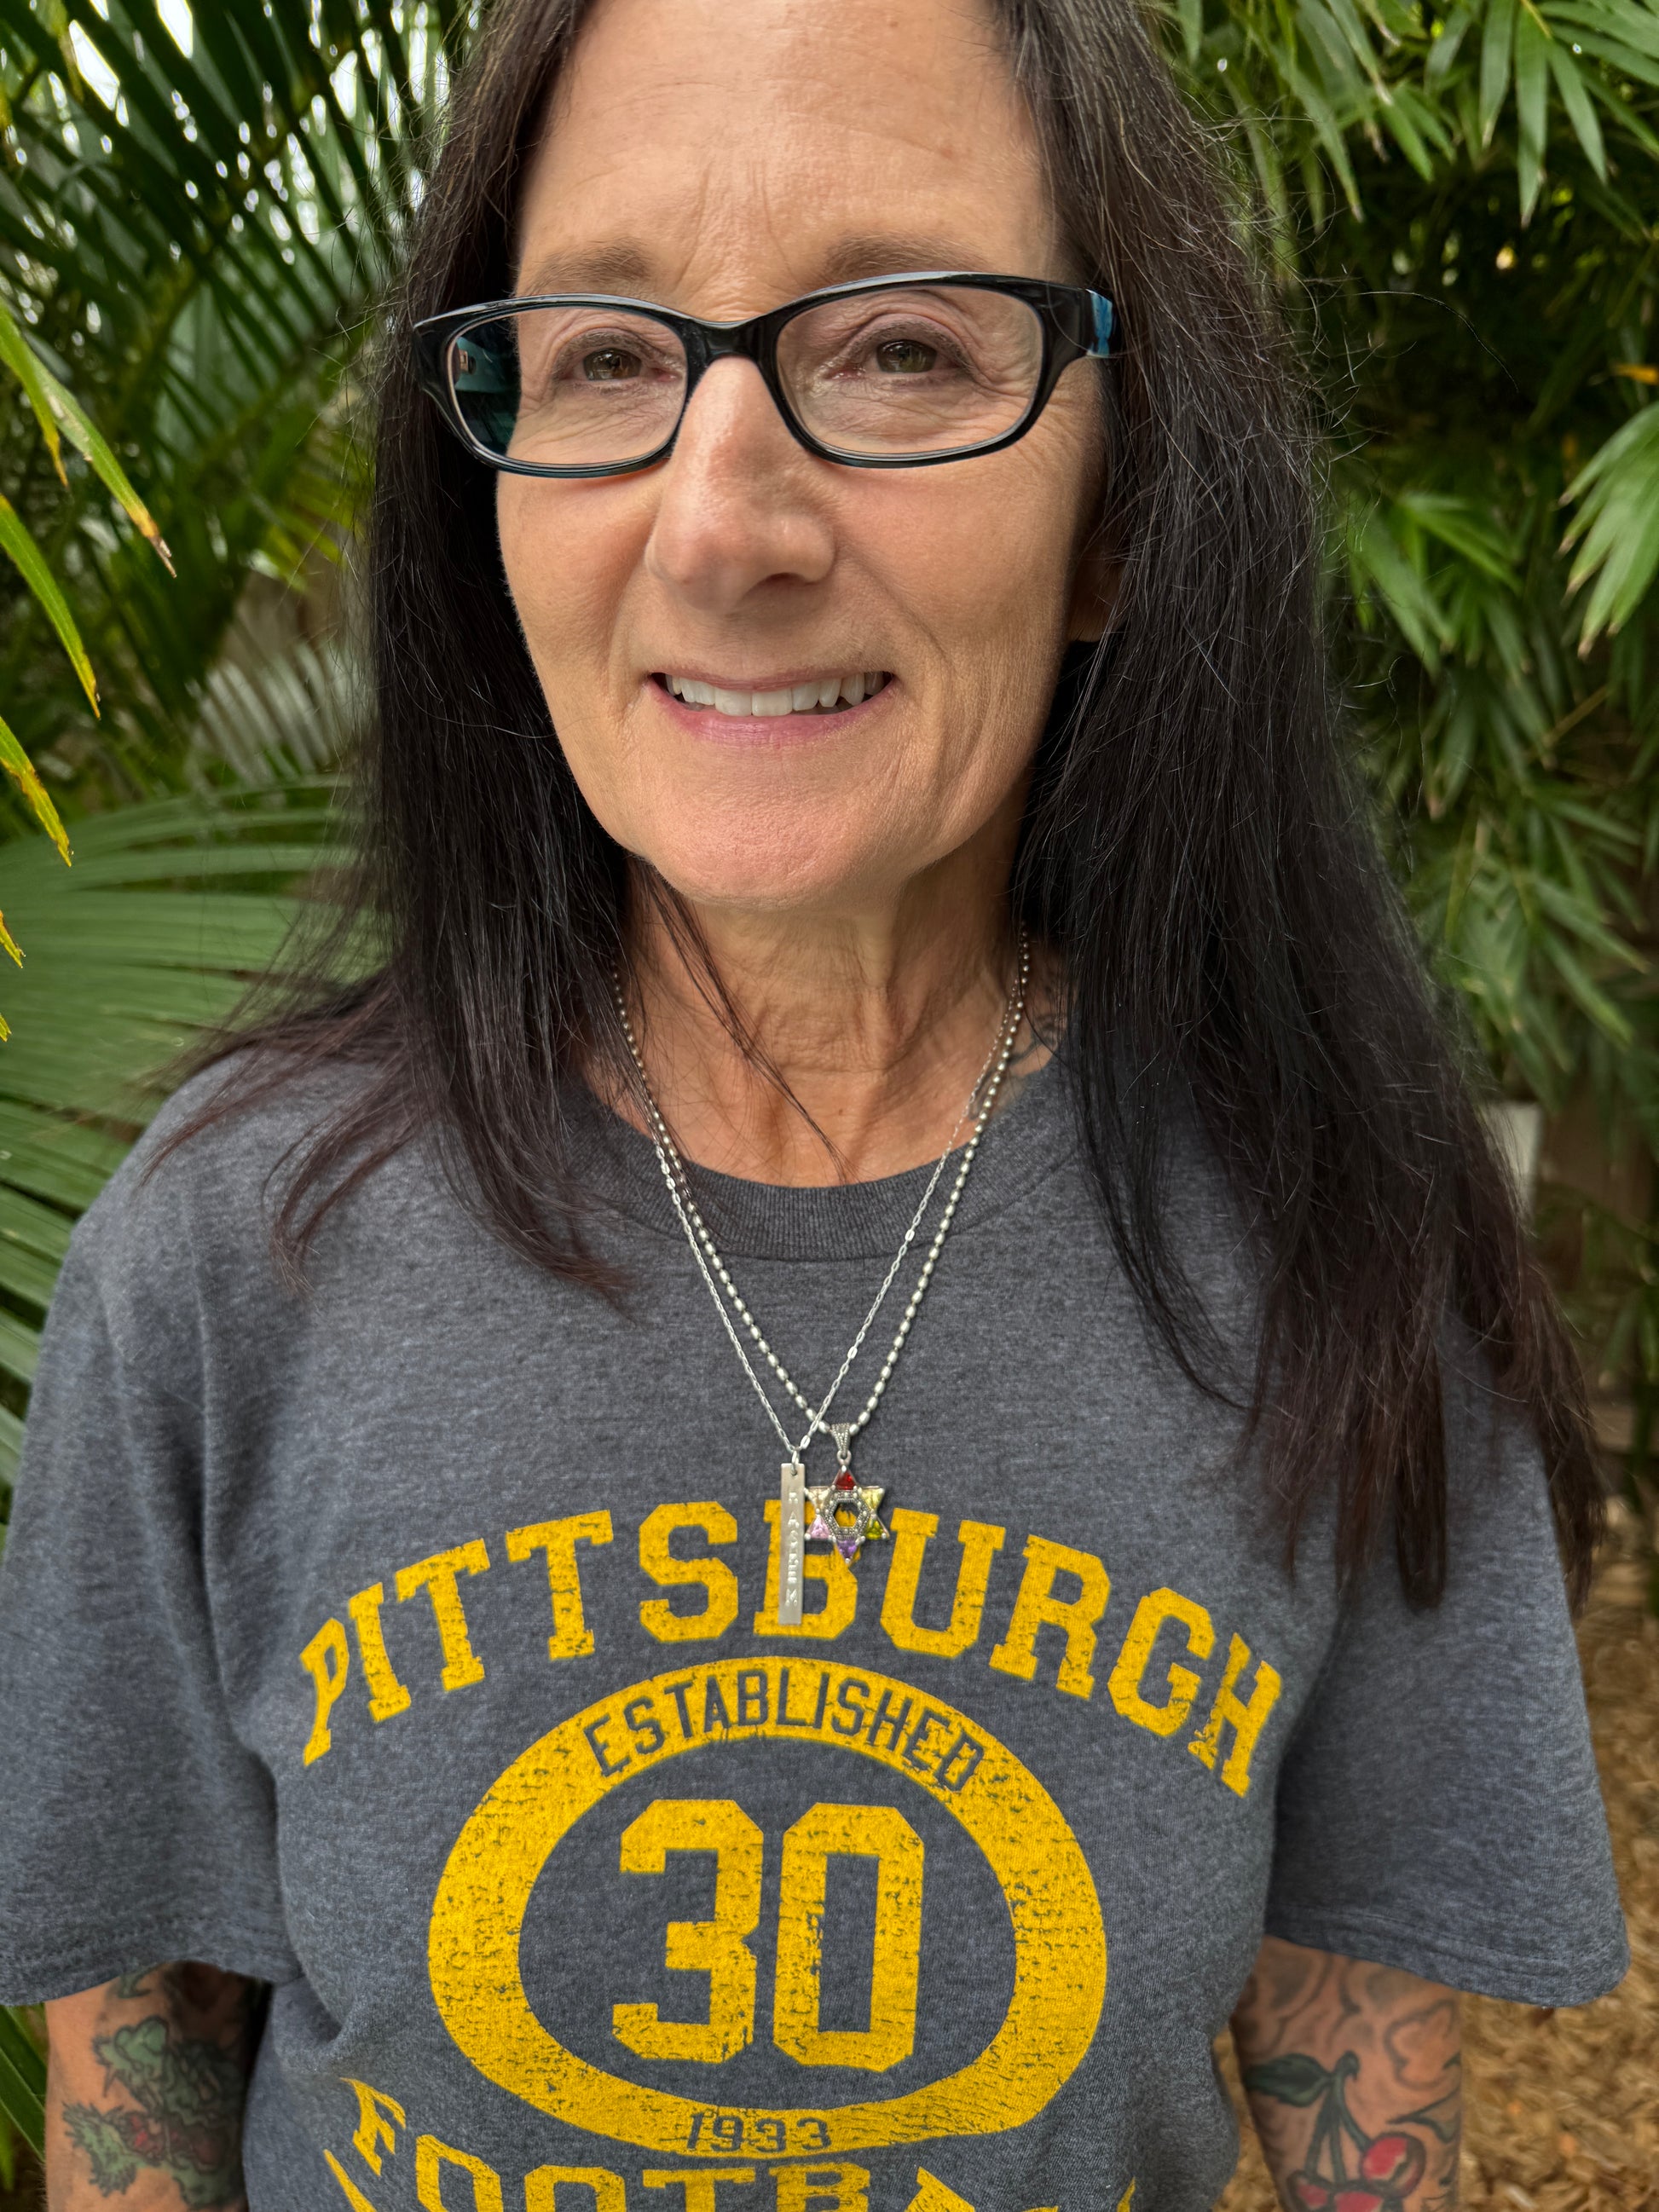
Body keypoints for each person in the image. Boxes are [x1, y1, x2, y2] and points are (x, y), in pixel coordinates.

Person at [0, 0, 1627, 2204]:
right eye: (604, 356)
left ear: (1120, 514)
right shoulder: (223, 1258)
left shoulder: (1342, 1261)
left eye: (901, 350)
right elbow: (138, 2094)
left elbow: (1371, 2126)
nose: (719, 524)